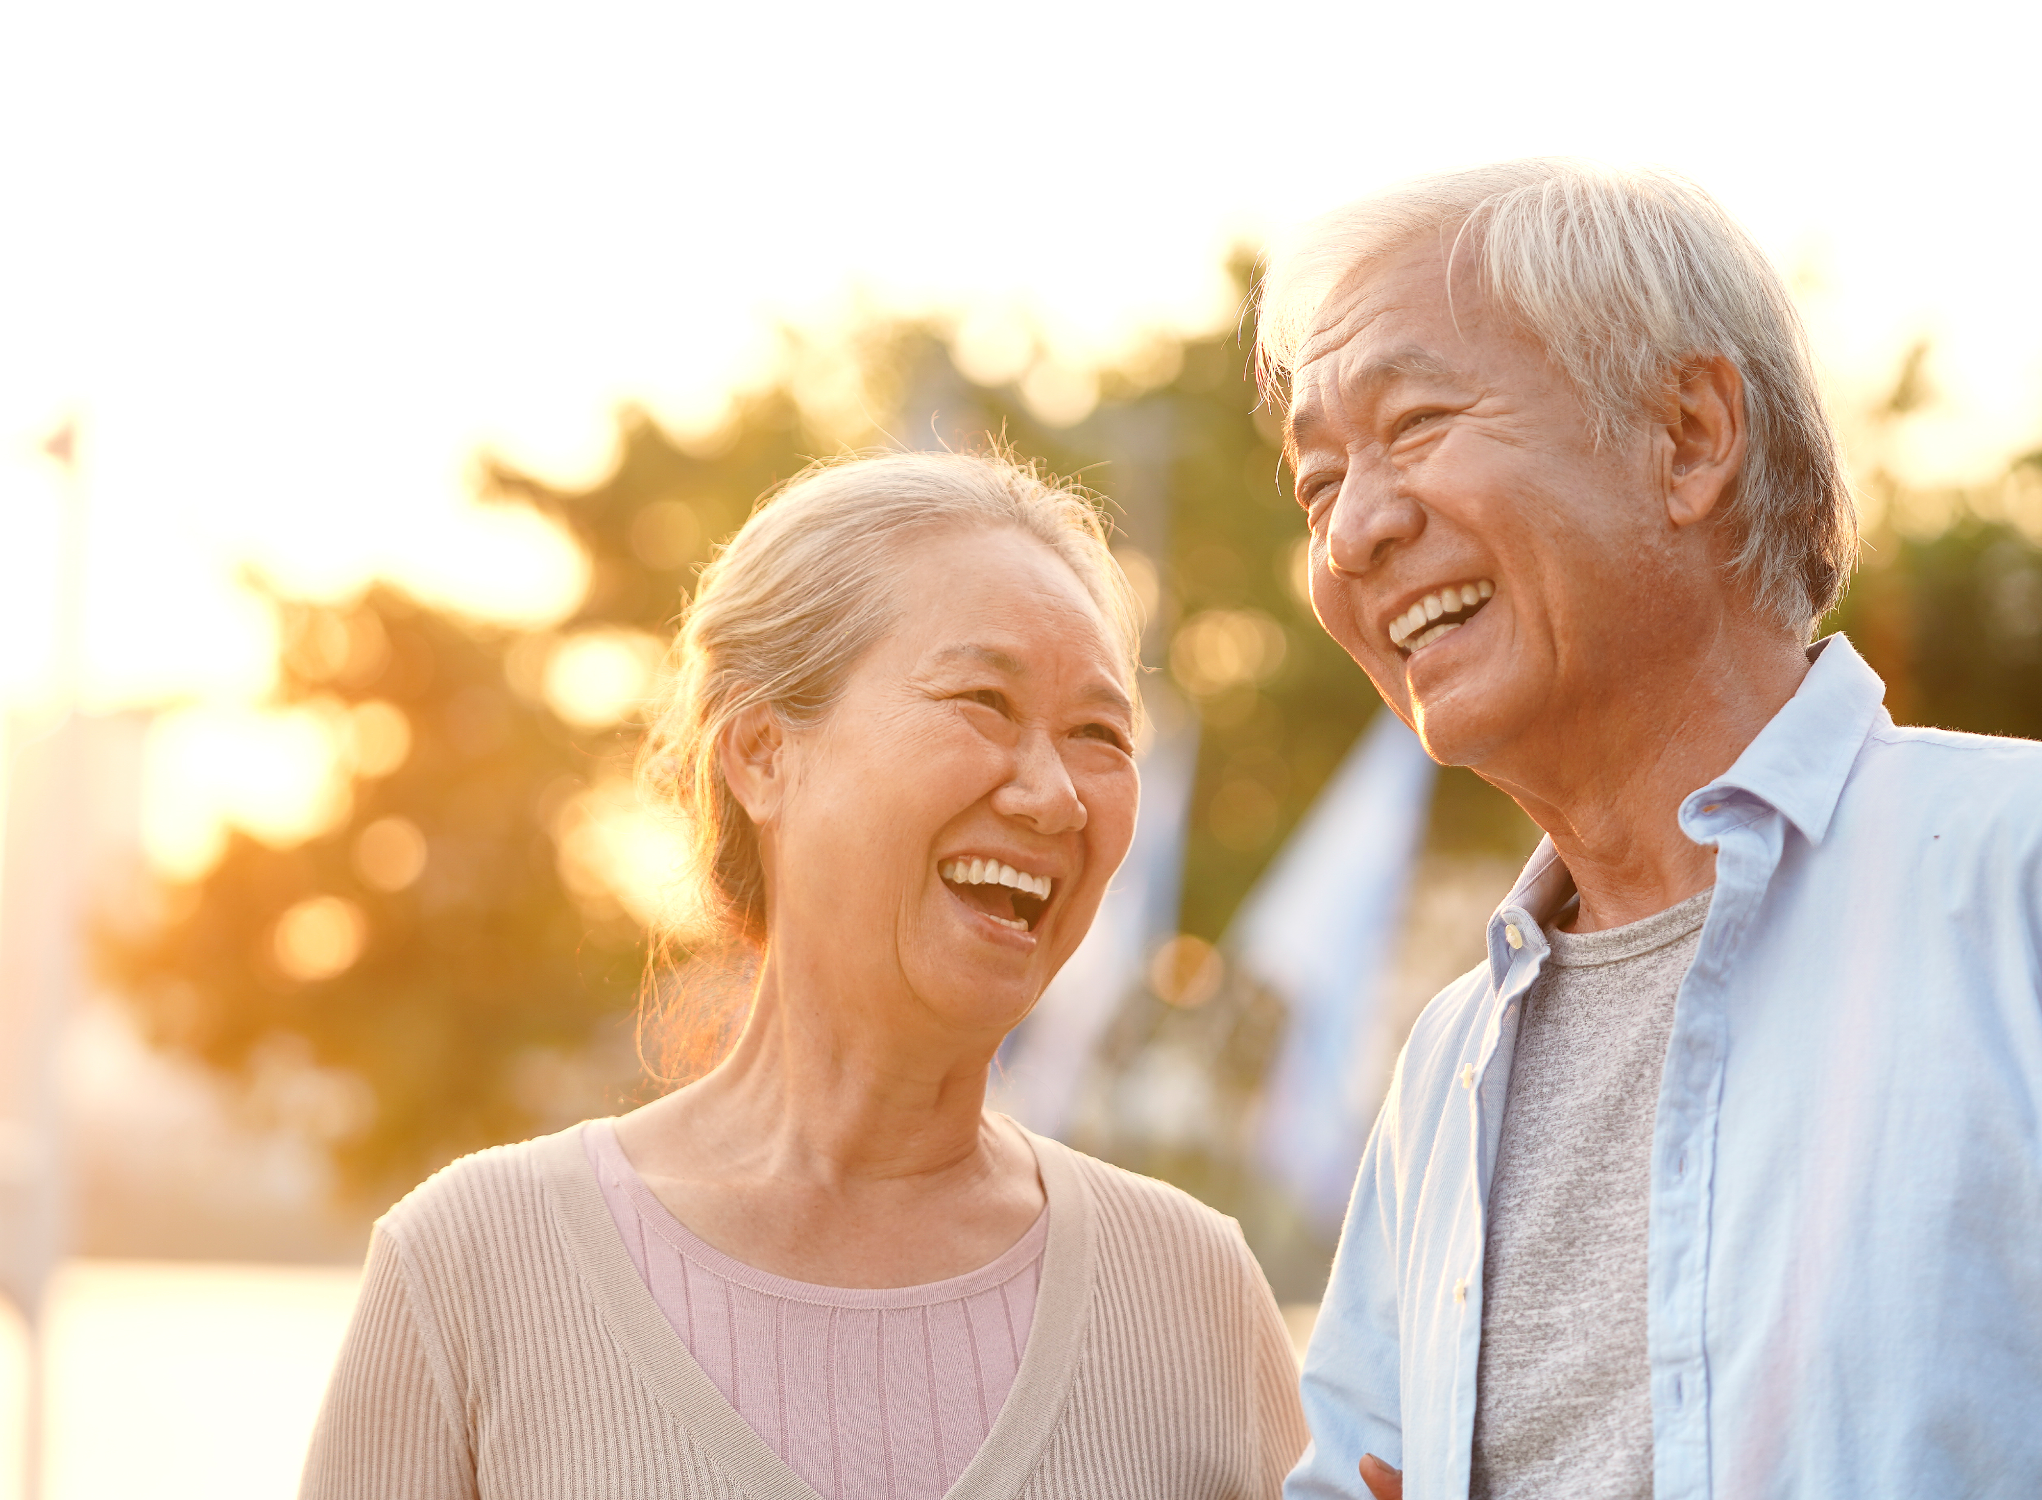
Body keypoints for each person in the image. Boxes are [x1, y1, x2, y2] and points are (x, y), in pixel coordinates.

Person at [300, 449, 1307, 1500]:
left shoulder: (1194, 1298)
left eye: (1099, 733)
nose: (1053, 796)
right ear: (760, 753)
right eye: (983, 702)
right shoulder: (471, 1270)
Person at [1258, 160, 2042, 1499]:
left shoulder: (2011, 877)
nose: (1349, 536)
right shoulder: (1448, 1061)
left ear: (1686, 436)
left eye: (1412, 423)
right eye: (1317, 482)